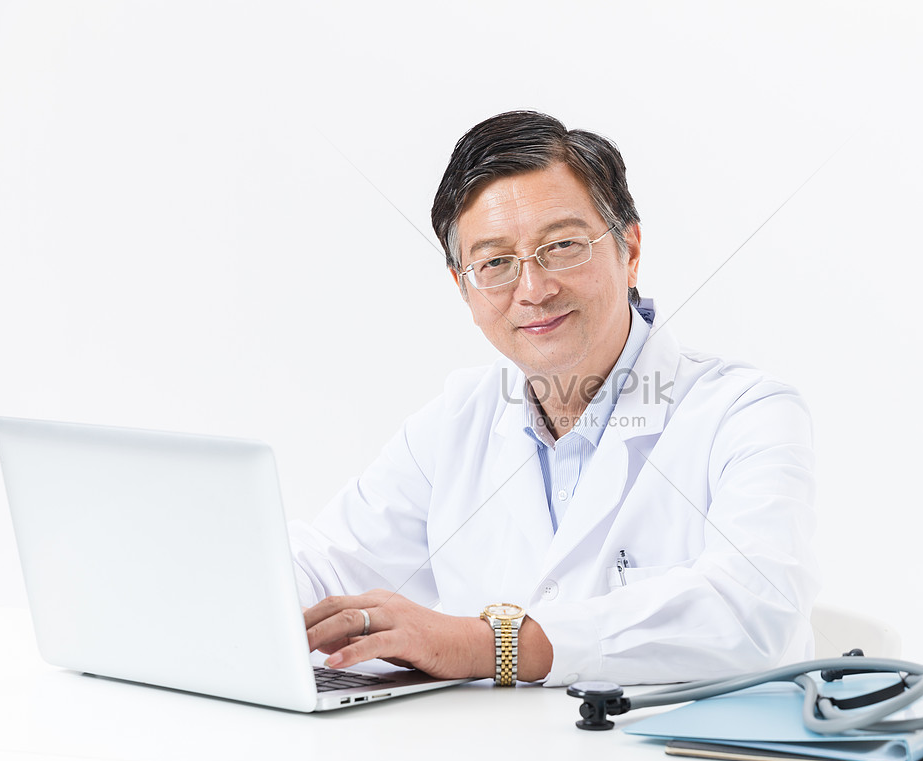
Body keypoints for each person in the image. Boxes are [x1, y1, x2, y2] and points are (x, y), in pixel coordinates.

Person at [291, 110, 821, 687]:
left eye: (563, 246)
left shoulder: (747, 412)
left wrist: (492, 645)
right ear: (462, 286)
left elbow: (758, 610)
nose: (534, 290)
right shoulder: (455, 420)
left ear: (630, 250)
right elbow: (326, 566)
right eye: (494, 263)